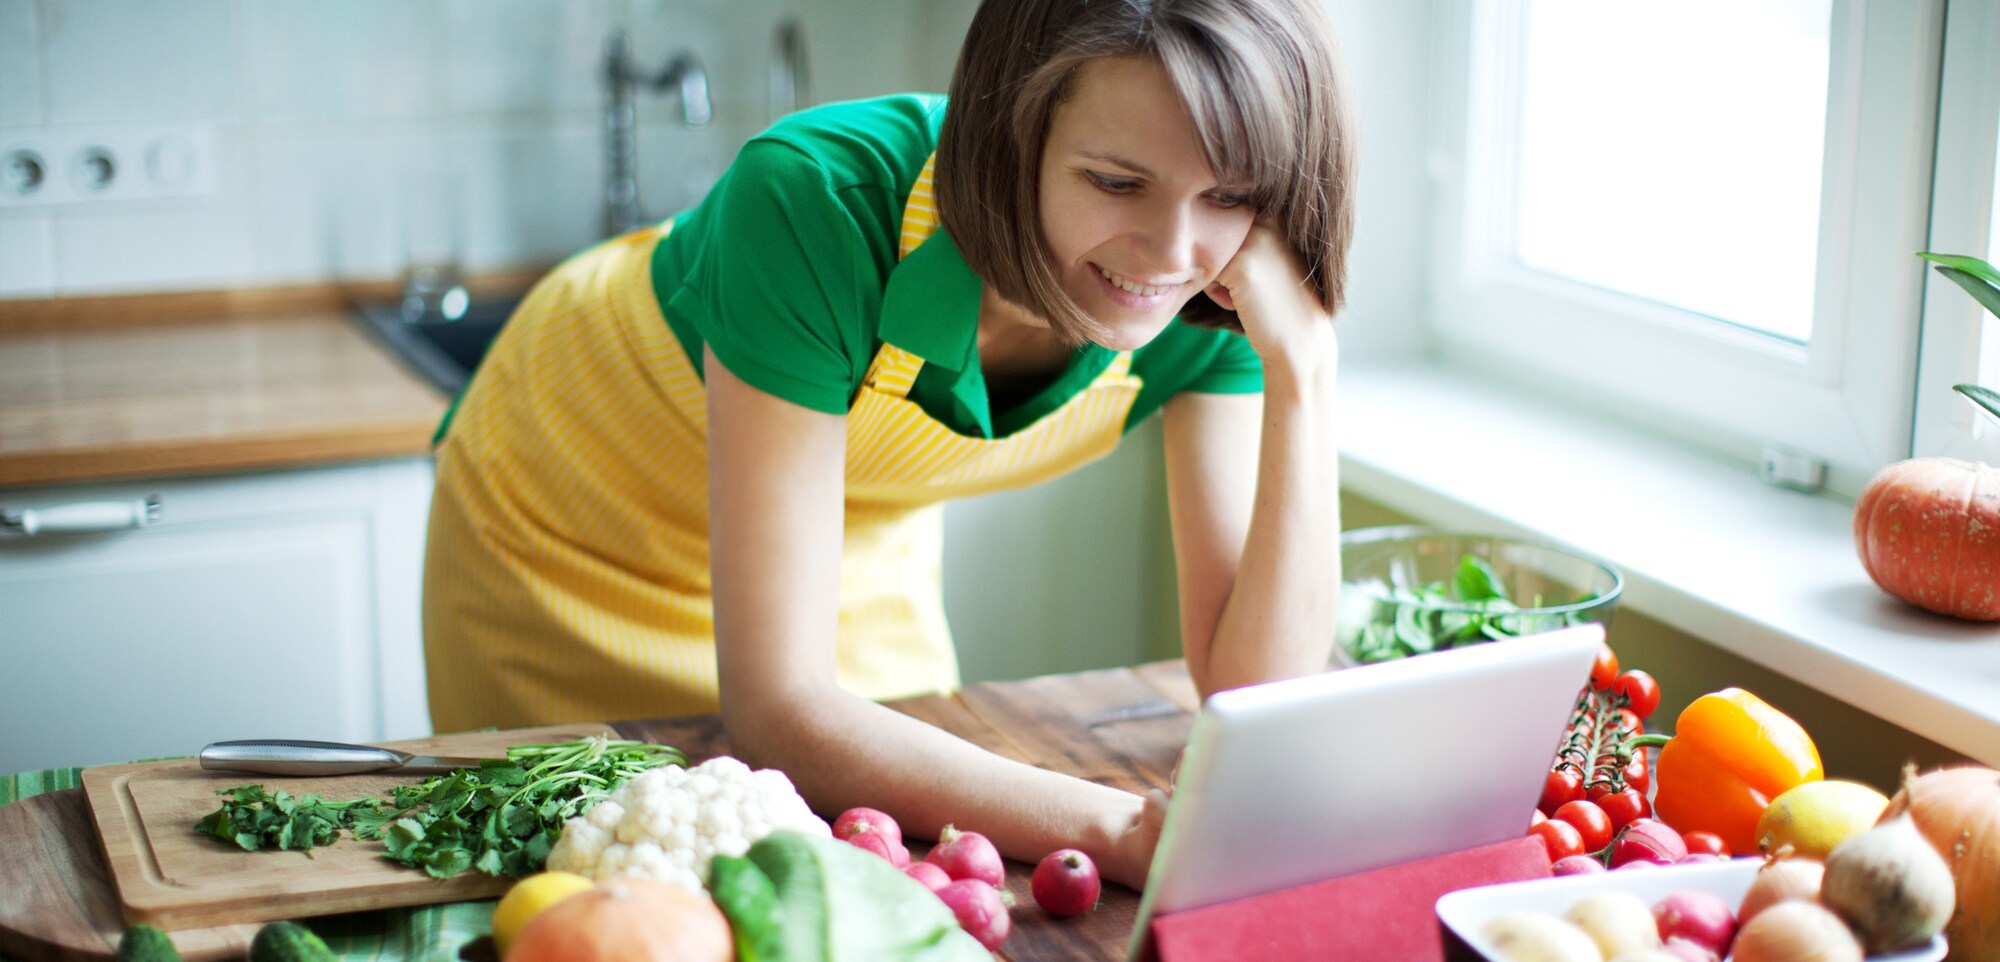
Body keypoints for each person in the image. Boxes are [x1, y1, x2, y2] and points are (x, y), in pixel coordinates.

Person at [421, 0, 1354, 889]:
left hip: (844, 555)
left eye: (1228, 194)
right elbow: (782, 715)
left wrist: (1305, 367)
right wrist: (1122, 828)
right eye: (1115, 182)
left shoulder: (1219, 293)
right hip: (563, 519)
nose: (1168, 251)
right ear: (1010, 136)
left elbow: (1252, 694)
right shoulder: (812, 199)